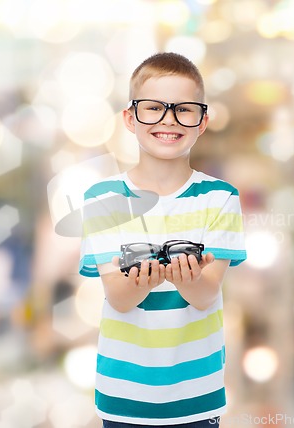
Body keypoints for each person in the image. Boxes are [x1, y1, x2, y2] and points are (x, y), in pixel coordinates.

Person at [79, 52, 247, 427]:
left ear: (202, 121)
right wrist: (149, 280)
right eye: (153, 108)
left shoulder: (220, 197)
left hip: (196, 398)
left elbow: (206, 295)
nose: (168, 120)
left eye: (183, 110)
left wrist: (189, 280)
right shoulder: (103, 199)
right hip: (124, 397)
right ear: (130, 117)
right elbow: (119, 299)